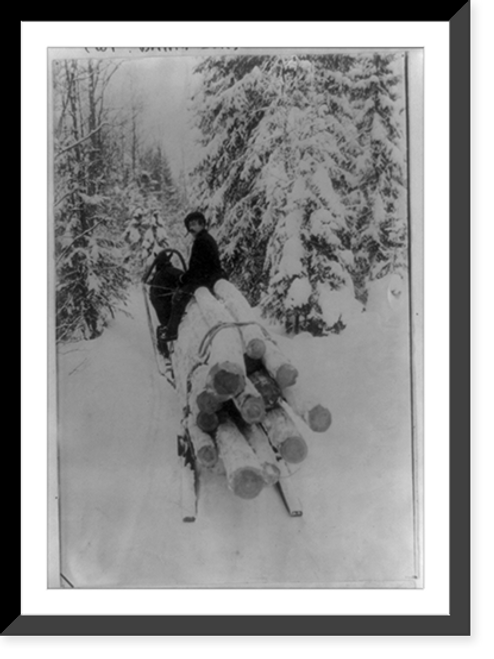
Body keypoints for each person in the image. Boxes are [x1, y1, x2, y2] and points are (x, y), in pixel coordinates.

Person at [159, 211, 227, 343]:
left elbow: (196, 269)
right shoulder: (206, 238)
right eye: (190, 225)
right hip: (211, 276)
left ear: (202, 225)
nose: (192, 228)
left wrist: (183, 279)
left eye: (195, 224)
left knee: (179, 298)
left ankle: (171, 332)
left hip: (206, 279)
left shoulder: (200, 241)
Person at [142, 248, 183, 354]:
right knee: (170, 323)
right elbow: (182, 277)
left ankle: (163, 348)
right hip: (163, 301)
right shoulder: (169, 271)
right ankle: (165, 346)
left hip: (157, 300)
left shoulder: (158, 274)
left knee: (164, 323)